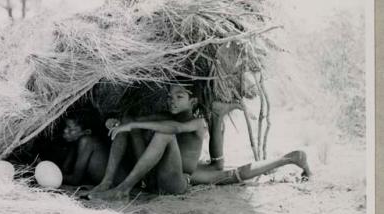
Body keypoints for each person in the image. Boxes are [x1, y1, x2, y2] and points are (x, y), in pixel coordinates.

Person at [87, 83, 311, 200]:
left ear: (193, 101)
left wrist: (134, 125)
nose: (171, 101)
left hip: (175, 184)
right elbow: (133, 120)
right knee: (128, 121)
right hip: (152, 179)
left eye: (179, 97)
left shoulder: (197, 123)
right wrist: (117, 123)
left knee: (165, 134)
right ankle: (107, 182)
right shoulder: (167, 116)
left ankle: (124, 189)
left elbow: (175, 129)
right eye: (169, 97)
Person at [61, 112, 124, 186]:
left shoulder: (87, 141)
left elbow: (75, 180)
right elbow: (65, 169)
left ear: (87, 132)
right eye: (65, 126)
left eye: (70, 129)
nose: (65, 130)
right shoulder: (75, 143)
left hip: (118, 182)